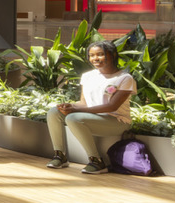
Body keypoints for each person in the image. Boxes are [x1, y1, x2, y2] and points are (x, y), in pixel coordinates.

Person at [47, 40, 138, 174]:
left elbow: (111, 106)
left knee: (73, 118)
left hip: (116, 121)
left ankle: (97, 161)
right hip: (91, 116)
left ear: (112, 55)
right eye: (92, 55)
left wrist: (76, 110)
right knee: (54, 112)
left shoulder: (125, 78)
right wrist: (69, 105)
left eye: (100, 54)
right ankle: (60, 155)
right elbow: (84, 103)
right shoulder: (88, 76)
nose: (95, 58)